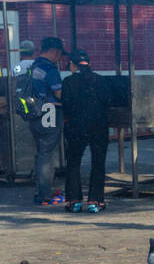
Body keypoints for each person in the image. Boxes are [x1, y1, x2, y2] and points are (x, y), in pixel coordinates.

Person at [61, 49, 111, 213]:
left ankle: (74, 201)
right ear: (90, 64)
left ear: (73, 65)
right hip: (99, 126)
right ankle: (95, 201)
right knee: (98, 162)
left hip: (76, 126)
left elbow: (66, 105)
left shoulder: (68, 82)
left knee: (73, 162)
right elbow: (107, 102)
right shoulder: (101, 80)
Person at [26, 36, 65, 206]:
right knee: (47, 154)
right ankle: (45, 195)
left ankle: (40, 191)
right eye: (59, 54)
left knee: (41, 152)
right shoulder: (50, 69)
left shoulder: (32, 66)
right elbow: (59, 94)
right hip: (49, 114)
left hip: (34, 114)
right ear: (53, 51)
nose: (60, 58)